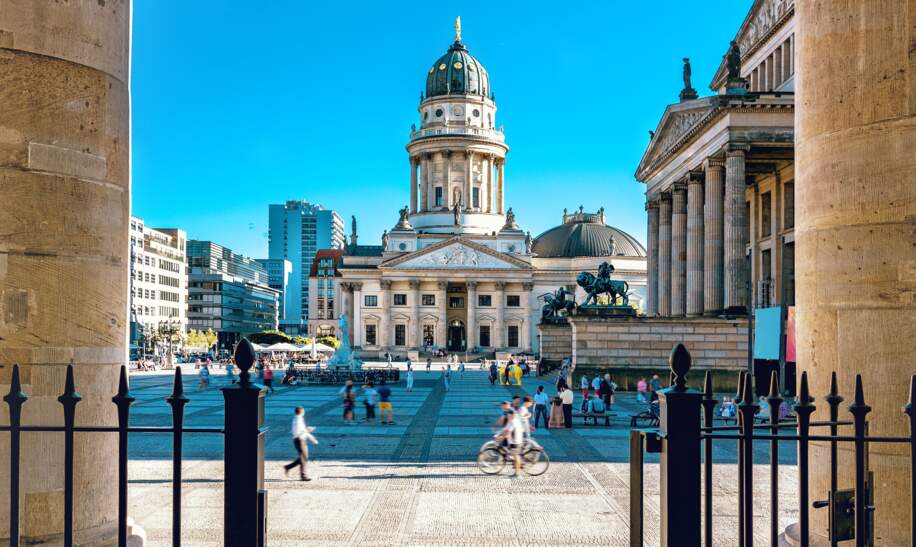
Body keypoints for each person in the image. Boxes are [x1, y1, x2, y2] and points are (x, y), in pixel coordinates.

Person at [283, 407, 318, 481]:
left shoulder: (298, 419)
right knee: (304, 457)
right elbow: (298, 432)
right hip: (299, 440)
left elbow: (302, 431)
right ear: (302, 412)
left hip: (300, 440)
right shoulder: (298, 420)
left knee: (303, 457)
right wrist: (308, 430)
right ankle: (303, 475)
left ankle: (288, 467)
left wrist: (312, 438)